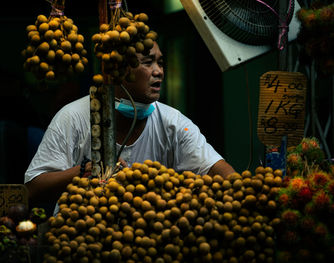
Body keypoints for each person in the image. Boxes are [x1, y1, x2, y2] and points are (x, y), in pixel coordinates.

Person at [24, 41, 235, 213]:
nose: (159, 71)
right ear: (119, 71)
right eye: (148, 62)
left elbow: (218, 169)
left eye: (161, 63)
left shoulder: (174, 123)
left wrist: (243, 189)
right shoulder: (73, 117)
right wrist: (83, 171)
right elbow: (33, 188)